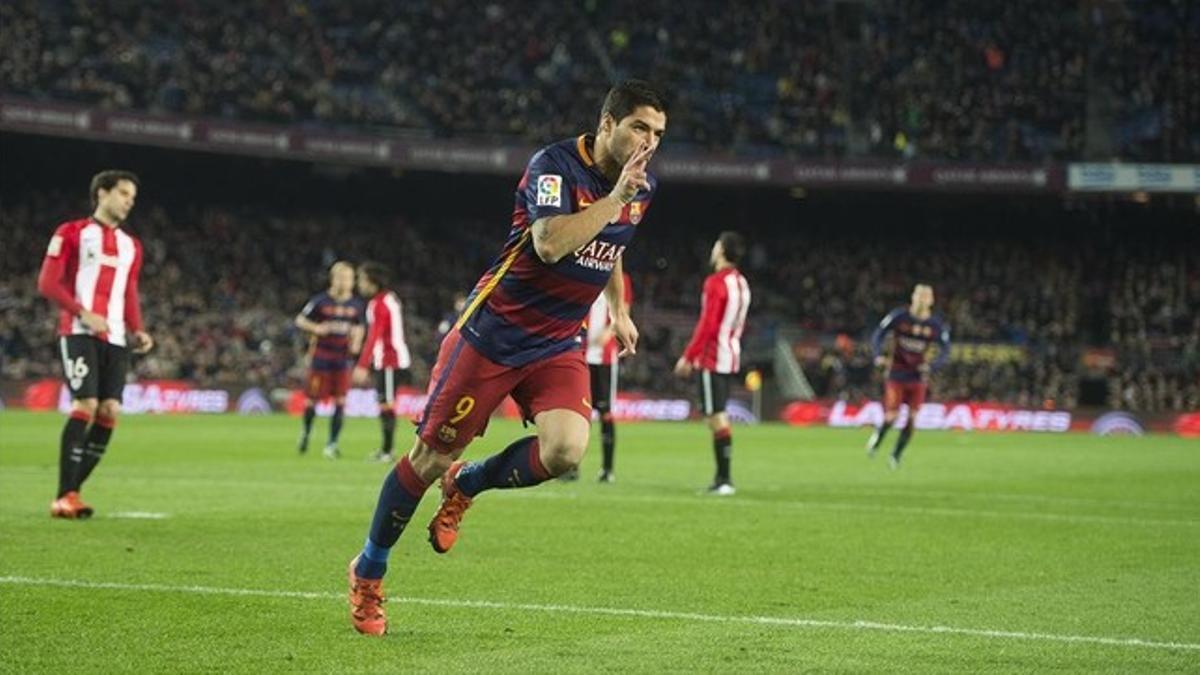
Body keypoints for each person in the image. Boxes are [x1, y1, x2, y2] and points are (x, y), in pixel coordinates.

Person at [346, 80, 666, 636]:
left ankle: (469, 484)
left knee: (566, 450)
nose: (649, 142)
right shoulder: (555, 165)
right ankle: (368, 571)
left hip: (556, 341)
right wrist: (614, 197)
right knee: (427, 461)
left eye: (659, 133)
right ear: (609, 122)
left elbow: (613, 244)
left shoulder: (640, 186)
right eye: (640, 127)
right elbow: (549, 243)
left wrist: (618, 308)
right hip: (493, 334)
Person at [37, 170, 154, 519]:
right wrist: (82, 313)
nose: (128, 202)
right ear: (101, 194)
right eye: (122, 193)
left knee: (109, 411)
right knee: (86, 403)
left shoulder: (131, 246)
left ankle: (72, 492)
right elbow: (47, 282)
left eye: (132, 197)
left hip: (116, 337)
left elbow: (129, 291)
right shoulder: (71, 233)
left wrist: (138, 328)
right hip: (79, 332)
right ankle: (64, 495)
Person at [674, 231, 751, 496]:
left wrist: (688, 356)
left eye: (716, 244)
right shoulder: (742, 283)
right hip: (731, 355)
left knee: (716, 417)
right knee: (717, 415)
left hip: (712, 357)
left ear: (721, 251)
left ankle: (724, 479)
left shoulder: (715, 283)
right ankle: (723, 478)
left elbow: (708, 324)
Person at [865, 283, 951, 468]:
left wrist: (933, 366)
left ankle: (896, 455)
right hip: (896, 374)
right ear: (913, 297)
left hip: (918, 377)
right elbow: (879, 334)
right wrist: (878, 355)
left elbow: (946, 350)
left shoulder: (935, 325)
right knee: (892, 417)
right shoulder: (899, 317)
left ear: (931, 300)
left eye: (926, 296)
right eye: (919, 295)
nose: (922, 299)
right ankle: (878, 437)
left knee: (912, 418)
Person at [295, 261, 364, 459]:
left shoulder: (356, 305)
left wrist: (356, 342)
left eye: (349, 279)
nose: (346, 282)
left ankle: (332, 444)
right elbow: (300, 320)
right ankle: (306, 432)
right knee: (311, 401)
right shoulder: (320, 301)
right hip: (321, 357)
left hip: (342, 359)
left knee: (341, 401)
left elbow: (359, 326)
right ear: (334, 279)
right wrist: (316, 329)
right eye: (342, 278)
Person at [352, 261, 412, 463]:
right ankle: (386, 449)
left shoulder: (379, 304)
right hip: (389, 358)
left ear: (372, 281)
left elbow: (374, 336)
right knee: (384, 404)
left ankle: (387, 451)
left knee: (386, 405)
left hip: (389, 360)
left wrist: (362, 365)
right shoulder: (389, 298)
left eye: (361, 279)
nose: (359, 284)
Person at [583, 270, 633, 483]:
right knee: (578, 411)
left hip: (604, 357)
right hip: (580, 353)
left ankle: (607, 469)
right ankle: (571, 466)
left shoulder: (623, 280)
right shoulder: (586, 271)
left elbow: (623, 312)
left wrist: (609, 331)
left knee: (605, 413)